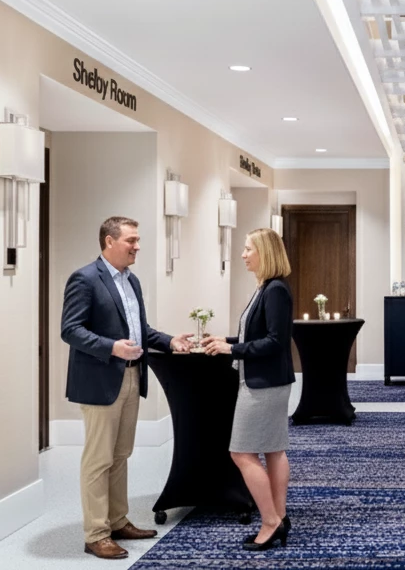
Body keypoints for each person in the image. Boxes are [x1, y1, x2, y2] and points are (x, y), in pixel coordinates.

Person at [60, 216, 192, 560]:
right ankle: (96, 533)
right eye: (131, 240)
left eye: (137, 240)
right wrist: (111, 347)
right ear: (109, 241)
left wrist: (169, 341)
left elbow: (141, 330)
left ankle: (118, 521)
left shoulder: (131, 281)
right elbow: (70, 329)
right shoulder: (85, 279)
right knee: (98, 459)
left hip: (132, 376)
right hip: (101, 379)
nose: (137, 246)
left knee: (120, 456)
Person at [203, 227, 294, 552]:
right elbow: (257, 334)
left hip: (264, 384)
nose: (243, 255)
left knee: (241, 453)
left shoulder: (275, 291)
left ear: (264, 253)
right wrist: (225, 341)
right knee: (272, 450)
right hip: (266, 381)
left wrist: (232, 351)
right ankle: (279, 518)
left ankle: (270, 521)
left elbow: (275, 342)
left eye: (247, 249)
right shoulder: (266, 288)